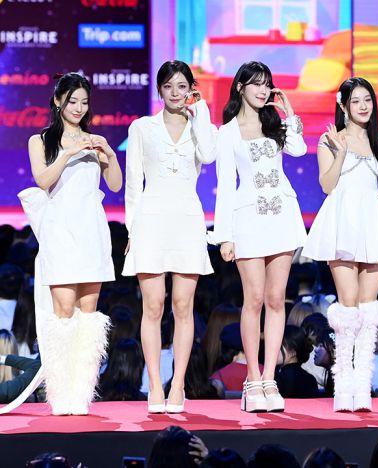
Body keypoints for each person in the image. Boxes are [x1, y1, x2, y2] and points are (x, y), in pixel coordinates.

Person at [302, 77, 378, 411]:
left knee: (368, 308)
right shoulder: (330, 139)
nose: (364, 106)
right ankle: (343, 384)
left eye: (368, 100)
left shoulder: (377, 142)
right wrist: (340, 153)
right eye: (356, 101)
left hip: (373, 222)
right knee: (348, 307)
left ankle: (361, 385)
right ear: (344, 105)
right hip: (343, 221)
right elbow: (326, 185)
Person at [123, 60, 218, 413]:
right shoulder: (142, 128)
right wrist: (131, 229)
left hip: (187, 220)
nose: (176, 93)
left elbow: (209, 155)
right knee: (153, 305)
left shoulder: (202, 127)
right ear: (159, 90)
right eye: (169, 86)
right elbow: (133, 184)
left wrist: (202, 111)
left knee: (183, 305)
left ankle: (177, 385)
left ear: (191, 89)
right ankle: (153, 385)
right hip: (150, 221)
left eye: (182, 86)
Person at [213, 61, 306, 413]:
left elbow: (298, 149)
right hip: (248, 218)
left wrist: (289, 114)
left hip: (281, 215)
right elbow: (225, 186)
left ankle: (269, 378)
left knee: (276, 298)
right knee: (253, 298)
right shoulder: (227, 132)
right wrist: (224, 236)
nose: (263, 89)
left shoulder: (274, 123)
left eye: (267, 83)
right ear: (240, 87)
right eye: (256, 83)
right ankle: (252, 378)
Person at [25, 72, 121, 415]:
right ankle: (60, 394)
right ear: (57, 101)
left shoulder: (94, 140)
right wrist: (67, 153)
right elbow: (43, 180)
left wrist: (109, 153)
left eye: (84, 102)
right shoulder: (40, 140)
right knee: (63, 313)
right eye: (72, 101)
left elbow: (114, 185)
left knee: (89, 314)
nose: (78, 108)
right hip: (60, 232)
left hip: (91, 231)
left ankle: (81, 395)